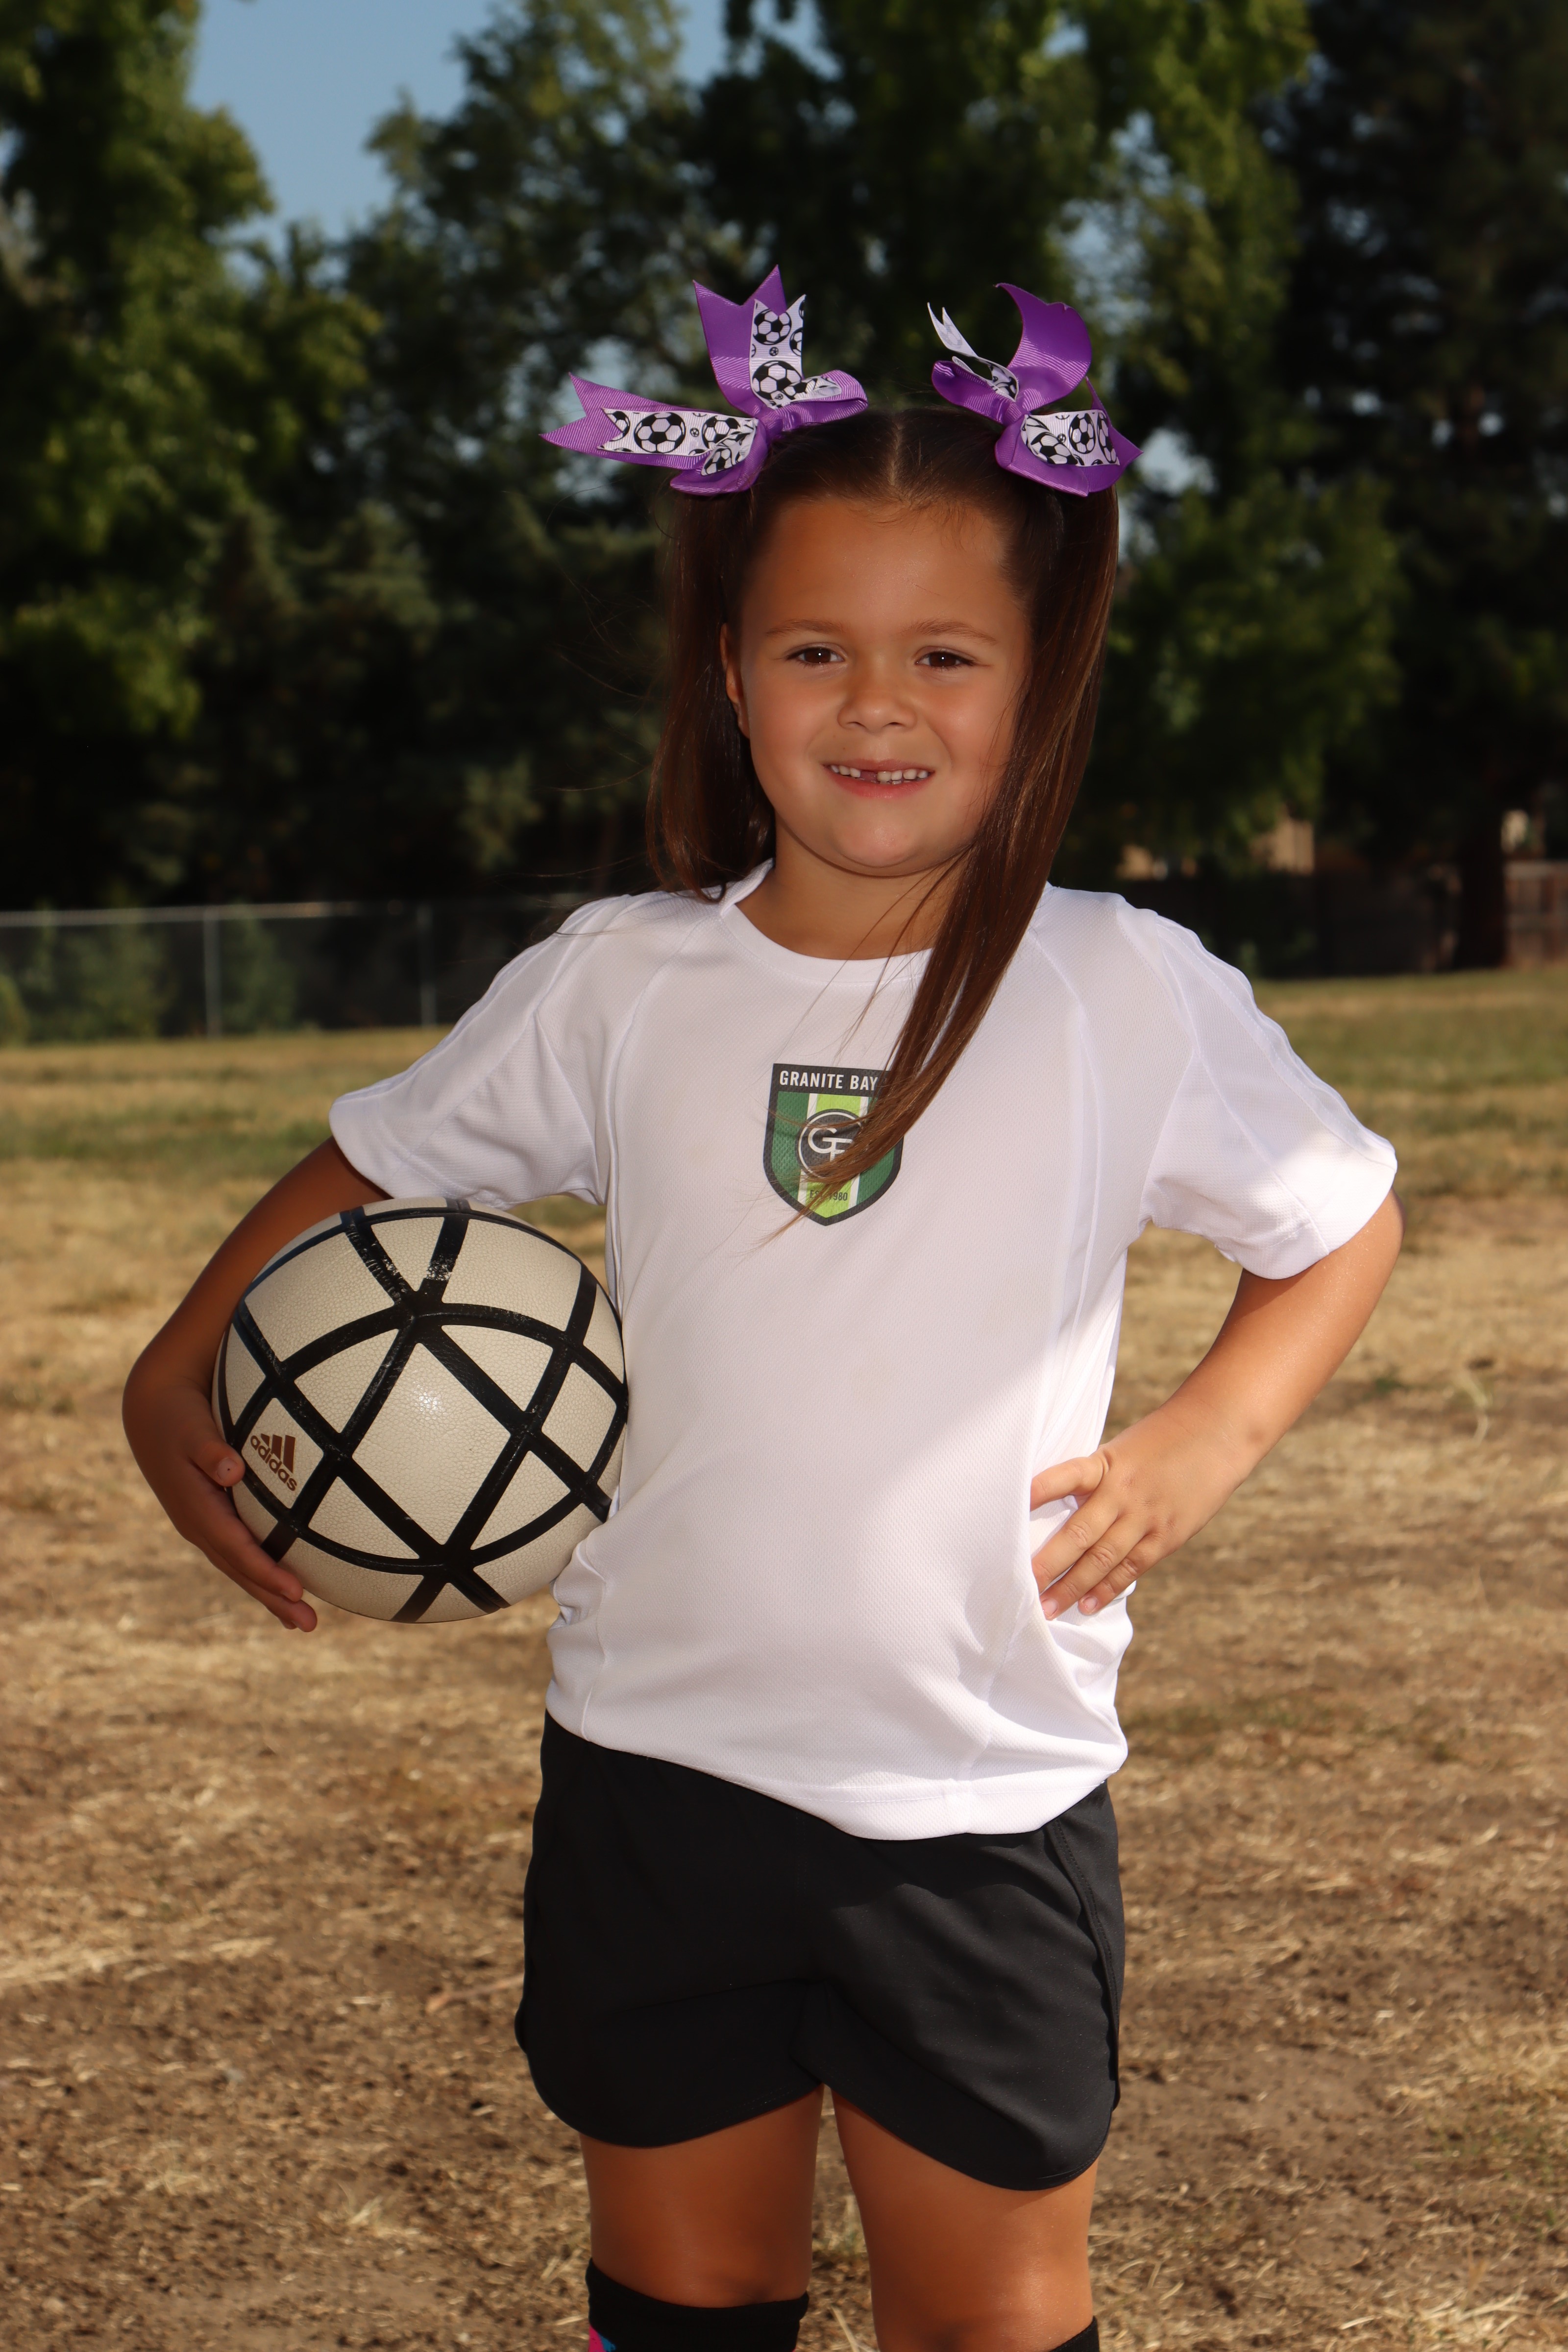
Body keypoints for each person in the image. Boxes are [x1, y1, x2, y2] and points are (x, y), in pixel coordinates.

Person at [123, 273, 1402, 2352]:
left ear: (1038, 679)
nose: (875, 703)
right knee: (688, 2293)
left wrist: (1204, 1438)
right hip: (659, 1770)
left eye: (943, 654)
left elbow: (1339, 1222)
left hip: (974, 1794)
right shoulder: (625, 979)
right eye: (816, 649)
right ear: (731, 673)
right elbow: (380, 1160)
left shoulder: (1120, 987)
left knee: (986, 2319)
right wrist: (177, 1362)